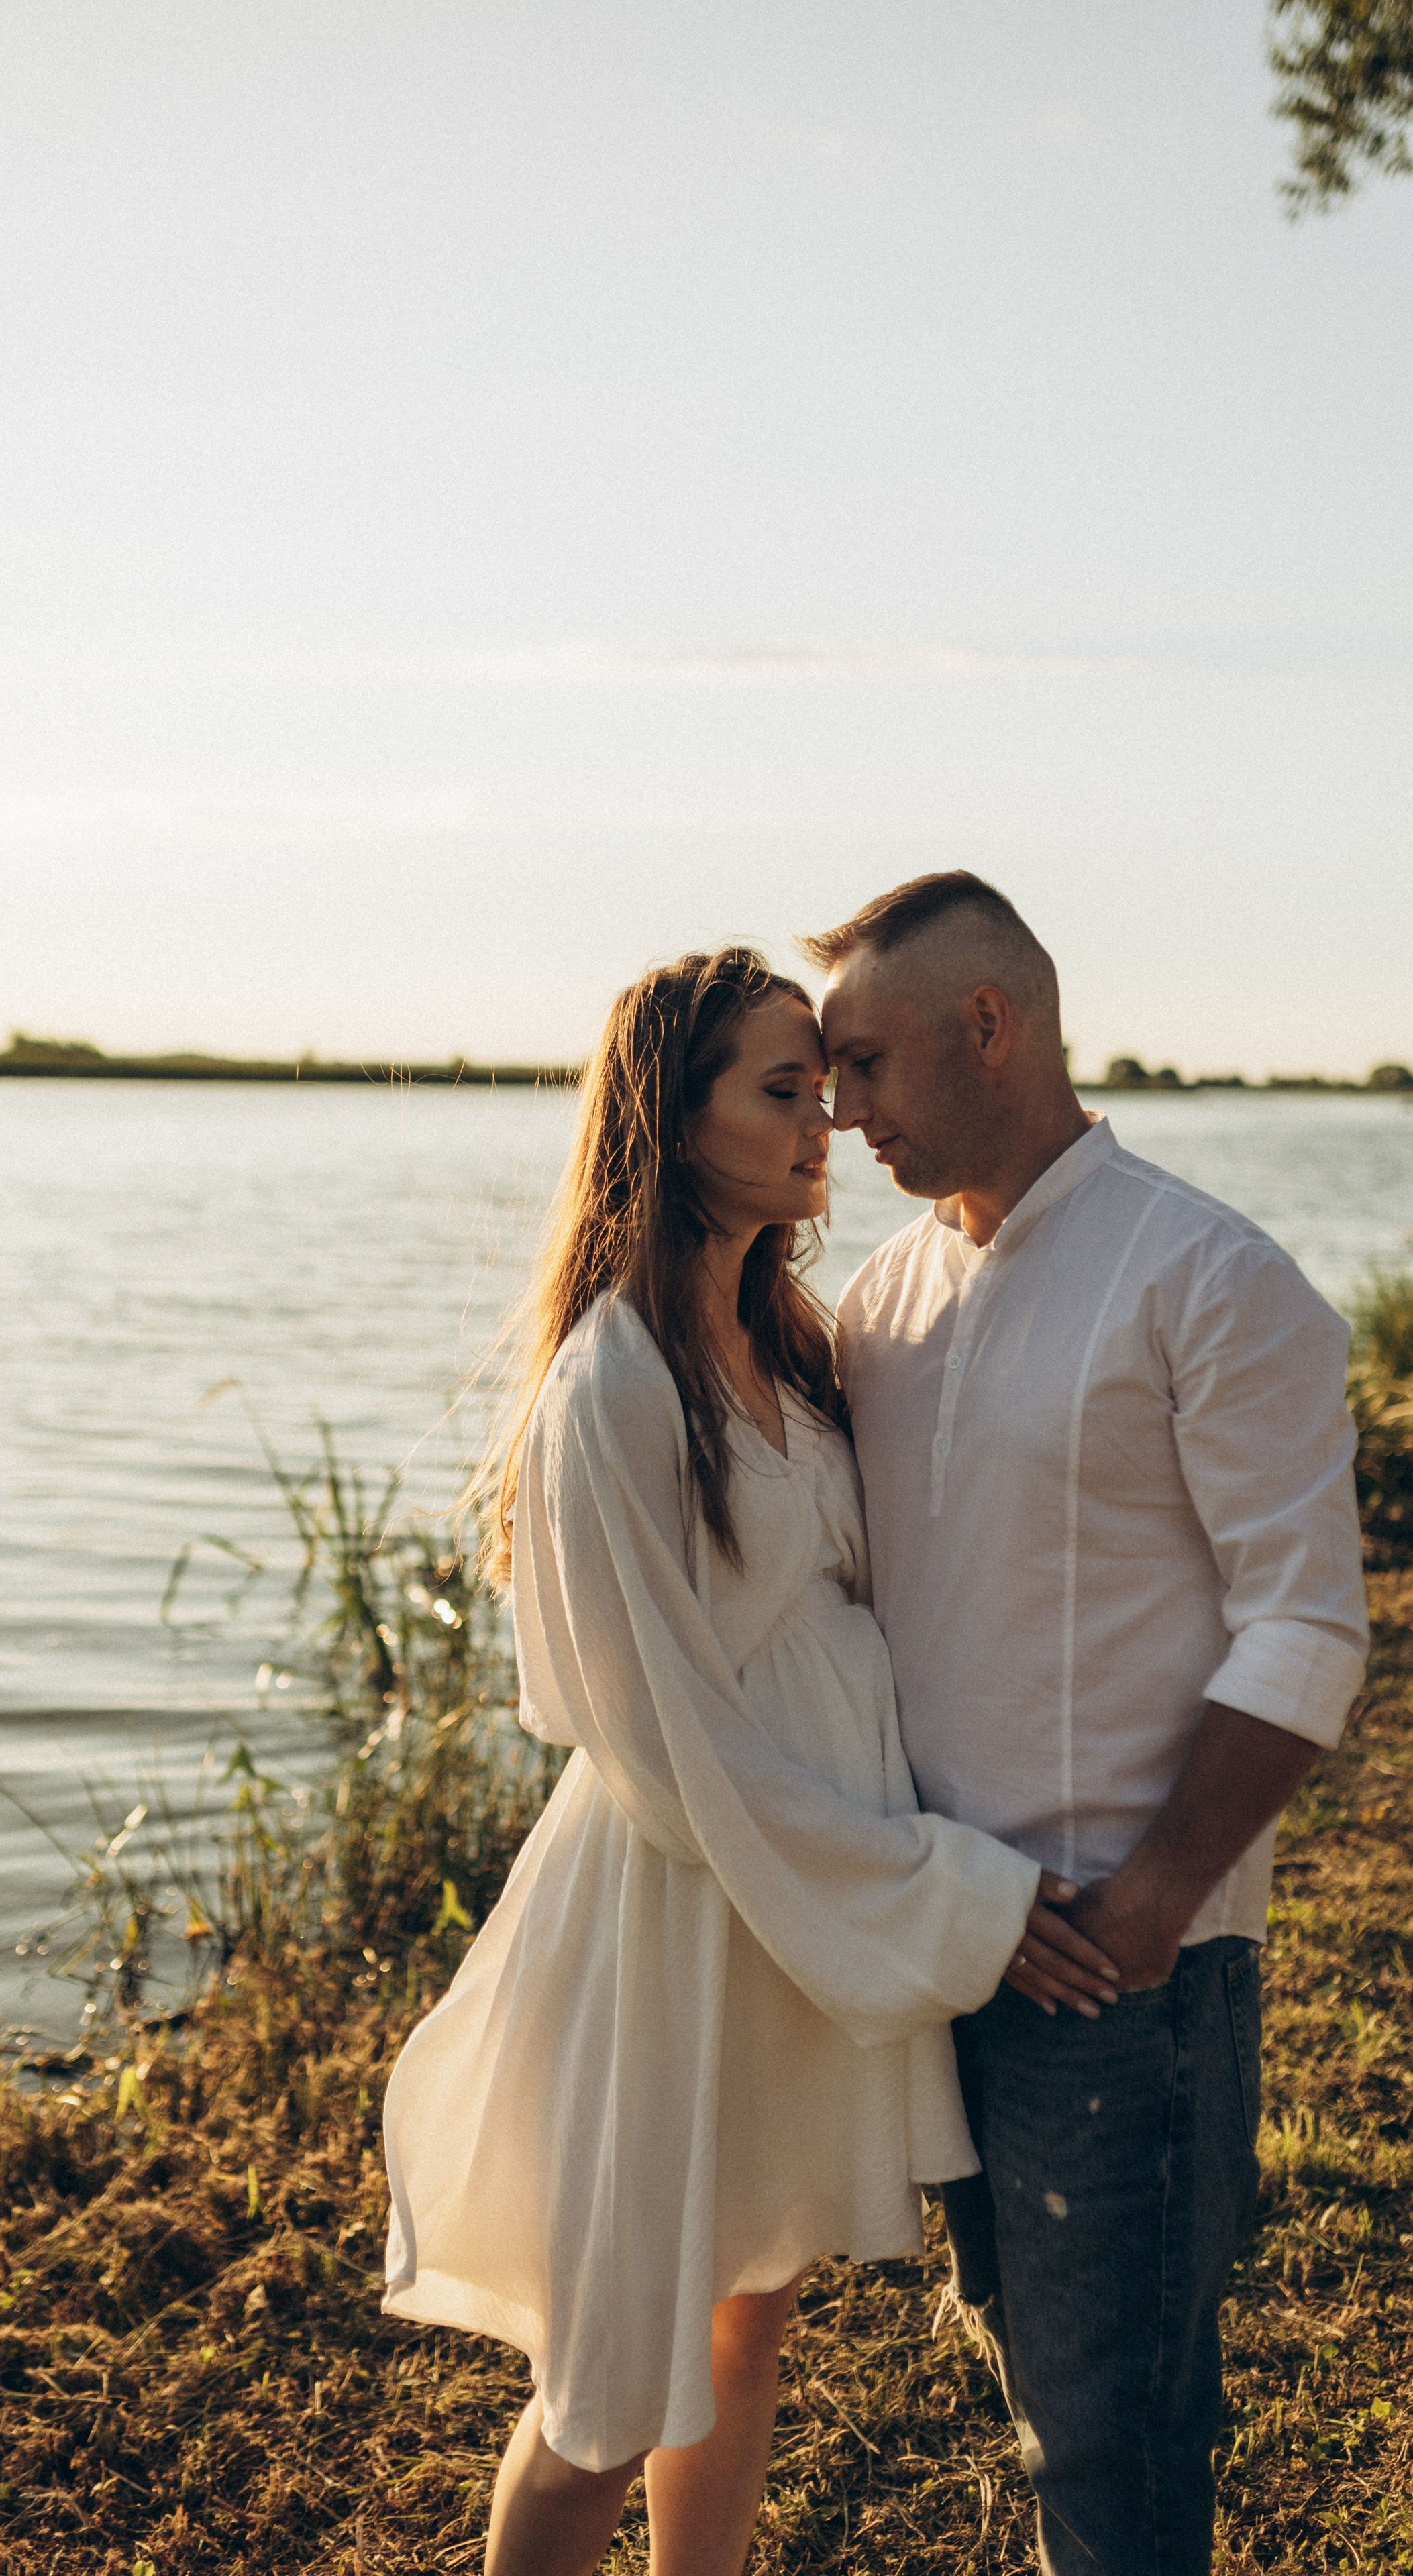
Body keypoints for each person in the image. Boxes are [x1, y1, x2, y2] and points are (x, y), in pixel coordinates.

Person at [381, 946, 1119, 2576]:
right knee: (607, 2388)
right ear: (672, 1113)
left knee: (744, 2317)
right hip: (678, 1917)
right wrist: (948, 1892)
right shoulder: (612, 1388)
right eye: (785, 1090)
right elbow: (672, 1750)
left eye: (833, 1085)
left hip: (790, 1915)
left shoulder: (791, 1349)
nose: (830, 1123)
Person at [809, 873, 1369, 2576]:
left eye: (869, 1064)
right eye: (821, 1074)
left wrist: (1148, 1905)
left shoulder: (1204, 1275)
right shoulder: (874, 1305)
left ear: (993, 1026)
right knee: (1034, 2386)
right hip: (934, 1946)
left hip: (1122, 1975)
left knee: (1116, 2437)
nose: (840, 1112)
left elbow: (1307, 1625)